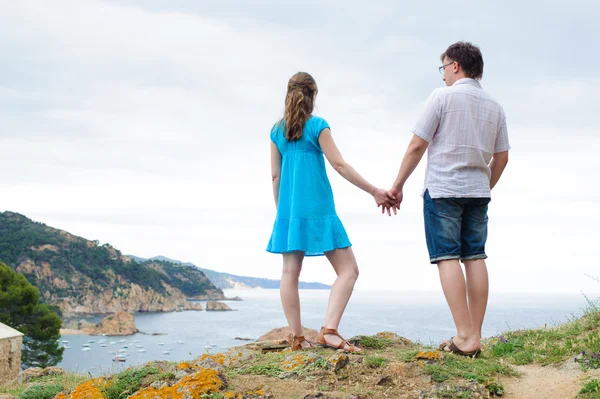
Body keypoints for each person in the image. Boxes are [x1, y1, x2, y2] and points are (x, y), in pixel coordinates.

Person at [385, 42, 510, 356]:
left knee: (447, 257)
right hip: (478, 192)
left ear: (455, 65)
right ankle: (475, 336)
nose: (442, 76)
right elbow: (503, 157)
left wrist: (397, 185)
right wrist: (484, 185)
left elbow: (417, 146)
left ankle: (465, 336)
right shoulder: (495, 106)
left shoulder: (442, 97)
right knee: (475, 257)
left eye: (443, 68)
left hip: (443, 190)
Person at [267, 72, 394, 352]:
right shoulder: (318, 126)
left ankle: (297, 338)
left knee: (289, 272)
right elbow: (340, 165)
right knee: (348, 270)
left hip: (289, 213)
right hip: (320, 210)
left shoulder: (276, 131)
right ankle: (330, 331)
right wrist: (374, 190)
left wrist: (283, 215)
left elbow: (275, 177)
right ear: (313, 96)